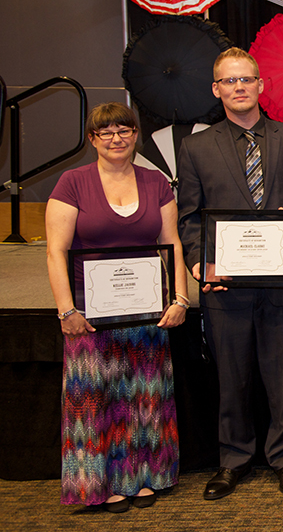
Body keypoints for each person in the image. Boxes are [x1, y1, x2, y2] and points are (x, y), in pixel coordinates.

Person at [177, 47, 283, 500]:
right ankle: (234, 459)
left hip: (282, 281)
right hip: (224, 282)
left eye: (246, 79)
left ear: (262, 85)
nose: (239, 87)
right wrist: (197, 264)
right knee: (232, 375)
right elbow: (188, 217)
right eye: (229, 81)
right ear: (216, 89)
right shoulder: (196, 147)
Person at [45, 102, 189, 512]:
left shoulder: (156, 181)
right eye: (105, 132)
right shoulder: (72, 183)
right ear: (92, 139)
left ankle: (142, 477)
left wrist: (179, 298)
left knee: (144, 397)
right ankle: (102, 483)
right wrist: (66, 310)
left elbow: (172, 243)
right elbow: (56, 251)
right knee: (96, 400)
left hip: (145, 311)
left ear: (135, 135)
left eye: (123, 130)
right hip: (91, 315)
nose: (115, 138)